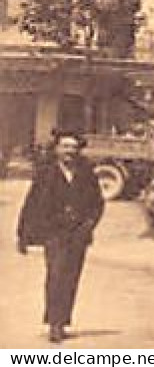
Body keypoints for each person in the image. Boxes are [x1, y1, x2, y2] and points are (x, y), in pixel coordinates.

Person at [15, 131, 105, 344]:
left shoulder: (86, 173)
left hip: (78, 234)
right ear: (56, 149)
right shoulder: (46, 173)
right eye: (65, 147)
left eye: (73, 147)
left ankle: (63, 321)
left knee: (71, 277)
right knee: (55, 276)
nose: (69, 152)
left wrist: (89, 225)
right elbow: (31, 203)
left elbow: (97, 203)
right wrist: (22, 235)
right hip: (53, 233)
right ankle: (54, 324)